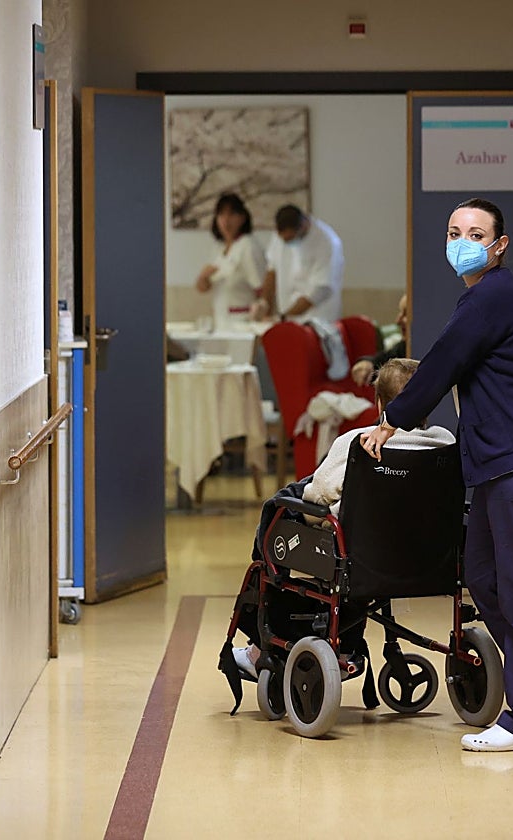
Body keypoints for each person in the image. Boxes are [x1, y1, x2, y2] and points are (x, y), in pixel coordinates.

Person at [359, 198, 513, 753]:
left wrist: (391, 421)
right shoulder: (494, 298)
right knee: (486, 580)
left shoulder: (491, 297)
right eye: (454, 231)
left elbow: (441, 363)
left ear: (500, 245)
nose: (462, 240)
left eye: (476, 232)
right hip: (502, 467)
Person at [229, 357, 455, 677]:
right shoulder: (445, 443)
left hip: (358, 553)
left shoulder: (358, 442)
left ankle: (264, 641)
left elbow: (317, 495)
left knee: (280, 507)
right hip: (426, 556)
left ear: (378, 402)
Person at [255, 205, 343, 323]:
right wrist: (264, 301)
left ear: (303, 226)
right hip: (287, 316)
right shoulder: (279, 236)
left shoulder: (327, 242)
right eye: (284, 240)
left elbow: (320, 290)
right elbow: (272, 269)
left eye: (290, 239)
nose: (286, 243)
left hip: (317, 319)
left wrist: (283, 317)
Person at [194, 193, 266, 327]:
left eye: (232, 214)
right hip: (220, 320)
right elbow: (204, 287)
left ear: (242, 218)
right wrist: (203, 277)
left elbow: (263, 289)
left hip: (243, 321)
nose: (226, 220)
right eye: (221, 215)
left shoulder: (248, 246)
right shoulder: (218, 248)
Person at [350, 294, 408, 386]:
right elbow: (384, 362)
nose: (398, 321)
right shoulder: (405, 346)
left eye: (406, 314)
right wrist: (368, 364)